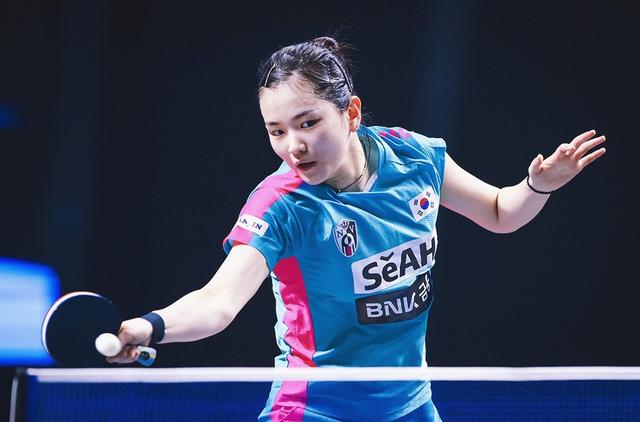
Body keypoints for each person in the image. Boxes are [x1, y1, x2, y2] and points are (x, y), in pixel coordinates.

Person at [108, 36, 606, 421]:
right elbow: (218, 303)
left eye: (307, 123)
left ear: (351, 112)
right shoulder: (280, 205)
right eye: (277, 131)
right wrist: (151, 326)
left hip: (410, 405)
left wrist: (538, 185)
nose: (293, 146)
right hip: (314, 408)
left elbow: (499, 212)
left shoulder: (413, 156)